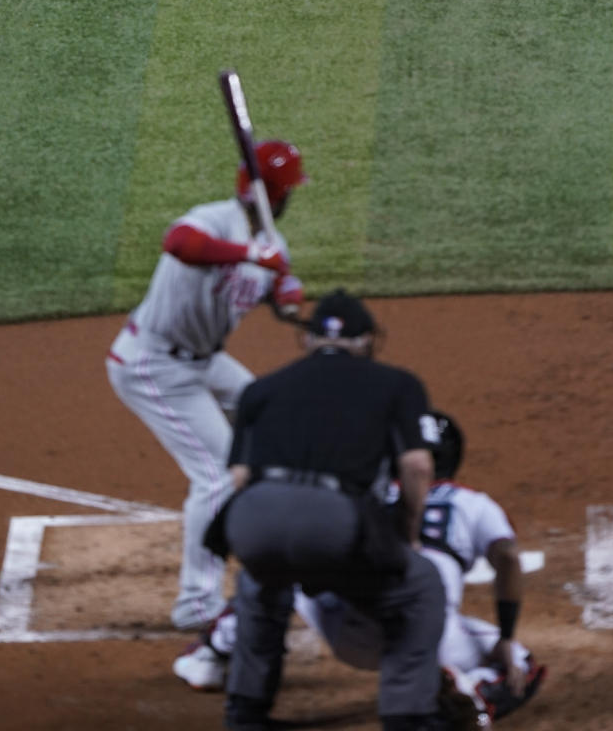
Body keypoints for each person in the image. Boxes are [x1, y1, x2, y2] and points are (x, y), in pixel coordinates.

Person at [189, 413, 546, 724]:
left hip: (344, 625)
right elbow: (508, 558)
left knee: (287, 567)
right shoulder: (472, 502)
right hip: (428, 638)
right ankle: (473, 692)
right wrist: (506, 636)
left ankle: (212, 652)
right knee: (519, 660)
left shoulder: (362, 492)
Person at [215, 288, 455, 731]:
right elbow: (418, 466)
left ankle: (245, 714)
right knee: (421, 587)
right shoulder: (398, 383)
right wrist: (405, 534)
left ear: (308, 341)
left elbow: (240, 478)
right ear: (365, 341)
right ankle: (408, 717)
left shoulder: (259, 389)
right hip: (331, 518)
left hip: (252, 516)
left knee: (258, 584)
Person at [105, 139, 308, 646]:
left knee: (270, 419)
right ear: (278, 194)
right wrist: (248, 253)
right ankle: (196, 604)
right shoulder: (214, 221)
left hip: (205, 359)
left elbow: (283, 294)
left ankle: (273, 541)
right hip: (153, 363)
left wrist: (285, 291)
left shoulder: (273, 245)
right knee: (216, 475)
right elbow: (178, 243)